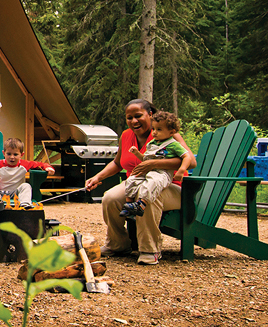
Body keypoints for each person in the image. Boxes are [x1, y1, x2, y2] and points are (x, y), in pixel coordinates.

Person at [84, 99, 197, 265]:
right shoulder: (126, 136)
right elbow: (117, 163)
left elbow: (191, 161)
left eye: (138, 116)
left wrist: (154, 163)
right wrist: (98, 177)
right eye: (129, 118)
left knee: (148, 196)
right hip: (137, 182)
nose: (134, 121)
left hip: (172, 186)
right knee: (110, 198)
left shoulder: (165, 132)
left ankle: (150, 249)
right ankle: (118, 245)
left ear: (150, 115)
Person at [120, 111, 190, 219]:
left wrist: (181, 170)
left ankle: (141, 204)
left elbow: (187, 157)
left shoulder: (173, 144)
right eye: (154, 129)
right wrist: (137, 153)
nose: (154, 132)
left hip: (162, 173)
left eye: (159, 129)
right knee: (132, 179)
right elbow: (146, 159)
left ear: (172, 132)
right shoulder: (152, 143)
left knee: (151, 183)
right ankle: (128, 206)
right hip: (149, 171)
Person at [0, 137, 55, 207]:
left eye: (15, 154)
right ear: (4, 153)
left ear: (21, 155)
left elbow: (39, 164)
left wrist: (47, 167)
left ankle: (25, 205)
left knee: (26, 186)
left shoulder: (24, 164)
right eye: (9, 154)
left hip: (16, 193)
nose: (12, 157)